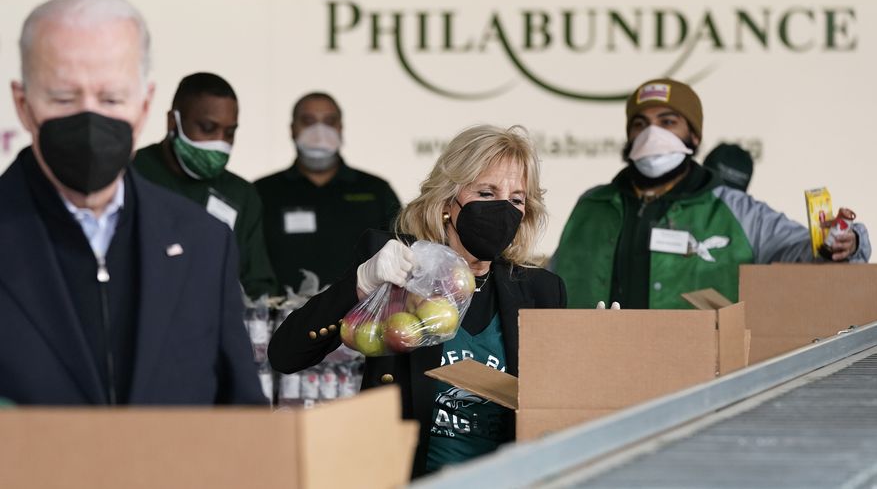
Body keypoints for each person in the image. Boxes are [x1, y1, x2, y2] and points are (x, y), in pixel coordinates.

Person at [1, 0, 264, 405]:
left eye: (111, 99)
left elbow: (242, 423)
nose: (90, 118)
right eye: (64, 98)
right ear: (23, 104)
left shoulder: (204, 245)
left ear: (143, 107)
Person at [268, 125, 567, 477]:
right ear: (446, 203)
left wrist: (599, 349)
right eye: (486, 193)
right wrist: (361, 284)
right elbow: (285, 354)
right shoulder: (401, 266)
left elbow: (555, 412)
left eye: (516, 200)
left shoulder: (540, 291)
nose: (503, 209)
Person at [553, 78, 871, 310]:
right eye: (640, 124)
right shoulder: (592, 205)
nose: (652, 134)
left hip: (700, 380)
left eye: (668, 122)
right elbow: (552, 282)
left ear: (693, 134)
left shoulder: (734, 209)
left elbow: (801, 251)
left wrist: (846, 242)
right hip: (592, 371)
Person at [133, 72, 278, 298]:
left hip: (213, 327)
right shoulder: (130, 174)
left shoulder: (241, 195)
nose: (219, 142)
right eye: (208, 128)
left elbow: (258, 285)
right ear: (174, 122)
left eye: (229, 133)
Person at [255, 92, 400, 290]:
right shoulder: (262, 192)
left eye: (329, 122)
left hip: (360, 316)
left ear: (341, 128)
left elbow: (400, 254)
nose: (319, 132)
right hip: (282, 317)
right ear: (292, 129)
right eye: (308, 121)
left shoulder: (376, 190)